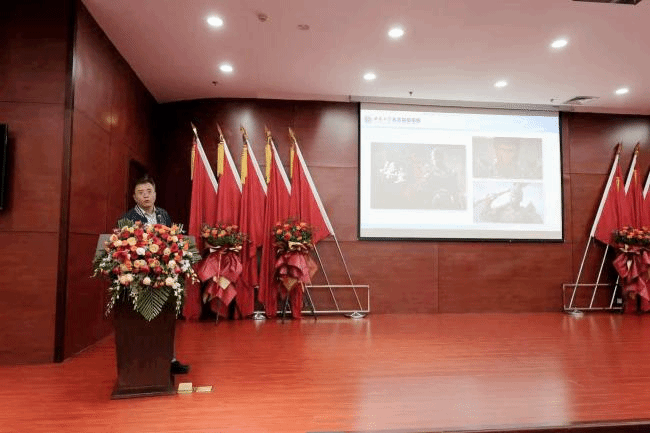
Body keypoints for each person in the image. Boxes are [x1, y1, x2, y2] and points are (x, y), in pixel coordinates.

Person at [119, 175, 190, 375]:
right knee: (142, 321)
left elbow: (171, 240)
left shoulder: (163, 214)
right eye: (141, 193)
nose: (146, 196)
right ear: (135, 197)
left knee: (166, 318)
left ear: (155, 194)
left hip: (164, 275)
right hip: (140, 277)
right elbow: (124, 248)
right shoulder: (128, 218)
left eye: (149, 192)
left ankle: (170, 359)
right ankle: (143, 362)